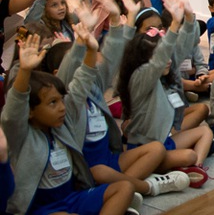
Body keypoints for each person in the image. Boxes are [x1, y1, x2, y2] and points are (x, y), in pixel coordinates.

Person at [55, 0, 190, 198]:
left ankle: (126, 188)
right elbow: (70, 74)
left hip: (112, 159)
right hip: (89, 169)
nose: (88, 64)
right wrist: (81, 42)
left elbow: (113, 55)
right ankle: (145, 186)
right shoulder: (69, 99)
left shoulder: (95, 87)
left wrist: (117, 21)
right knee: (102, 173)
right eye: (81, 60)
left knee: (156, 150)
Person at [1, 32, 136, 215]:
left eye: (61, 100)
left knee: (124, 188)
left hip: (71, 198)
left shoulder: (64, 123)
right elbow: (13, 111)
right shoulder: (20, 135)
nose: (62, 108)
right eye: (52, 103)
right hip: (40, 209)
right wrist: (24, 71)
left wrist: (91, 50)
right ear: (31, 111)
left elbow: (81, 82)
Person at [117, 0, 214, 188]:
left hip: (165, 139)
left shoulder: (166, 70)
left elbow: (185, 44)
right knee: (189, 154)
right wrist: (174, 25)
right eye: (160, 56)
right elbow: (158, 59)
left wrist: (188, 18)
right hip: (147, 148)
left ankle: (195, 168)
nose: (168, 60)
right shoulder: (140, 77)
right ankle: (171, 170)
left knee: (205, 132)